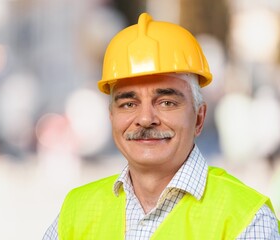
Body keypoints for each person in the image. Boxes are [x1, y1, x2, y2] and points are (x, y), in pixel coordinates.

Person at [43, 12, 280, 239]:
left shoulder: (247, 221)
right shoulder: (75, 213)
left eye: (167, 102)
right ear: (111, 117)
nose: (145, 119)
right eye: (128, 104)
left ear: (199, 117)